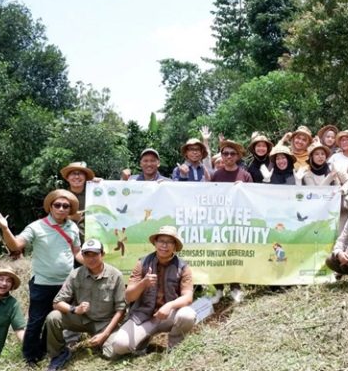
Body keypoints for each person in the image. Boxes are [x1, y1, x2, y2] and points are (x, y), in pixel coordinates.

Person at [0, 189, 83, 365]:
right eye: (58, 205)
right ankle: (30, 356)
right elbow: (16, 245)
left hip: (66, 283)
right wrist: (5, 228)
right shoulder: (37, 226)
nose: (62, 208)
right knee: (36, 320)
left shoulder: (72, 227)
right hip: (43, 283)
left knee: (54, 319)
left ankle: (46, 349)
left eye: (66, 206)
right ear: (50, 207)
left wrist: (95, 263)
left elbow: (77, 252)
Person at [107, 226, 196, 356]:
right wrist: (144, 283)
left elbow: (188, 297)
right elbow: (129, 296)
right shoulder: (141, 263)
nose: (164, 245)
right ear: (155, 243)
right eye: (161, 241)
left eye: (169, 242)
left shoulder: (183, 267)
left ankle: (175, 349)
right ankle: (143, 341)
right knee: (120, 346)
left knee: (187, 315)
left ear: (175, 246)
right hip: (143, 317)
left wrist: (169, 305)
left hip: (168, 315)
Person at [44, 239, 126, 370]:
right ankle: (59, 353)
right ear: (82, 256)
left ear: (102, 254)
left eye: (95, 254)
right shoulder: (75, 274)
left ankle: (101, 340)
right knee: (53, 317)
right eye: (87, 254)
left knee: (112, 354)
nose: (91, 258)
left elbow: (121, 310)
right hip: (81, 319)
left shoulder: (116, 275)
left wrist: (105, 334)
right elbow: (57, 303)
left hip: (104, 323)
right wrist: (75, 309)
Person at [210, 140, 251, 302]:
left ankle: (235, 287)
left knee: (235, 253)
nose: (228, 156)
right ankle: (218, 289)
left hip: (238, 222)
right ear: (221, 156)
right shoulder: (216, 175)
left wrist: (245, 188)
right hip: (219, 221)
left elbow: (253, 199)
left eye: (232, 153)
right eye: (225, 153)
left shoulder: (245, 175)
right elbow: (209, 197)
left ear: (238, 156)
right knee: (218, 254)